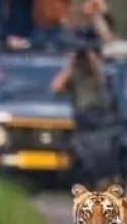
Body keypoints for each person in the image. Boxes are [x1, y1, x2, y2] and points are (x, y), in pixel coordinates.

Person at [51, 38, 119, 189]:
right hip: (83, 117)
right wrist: (71, 65)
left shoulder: (101, 69)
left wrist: (93, 59)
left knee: (104, 153)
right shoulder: (75, 73)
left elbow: (103, 81)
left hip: (101, 115)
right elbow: (56, 88)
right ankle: (91, 182)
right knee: (87, 154)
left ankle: (105, 182)